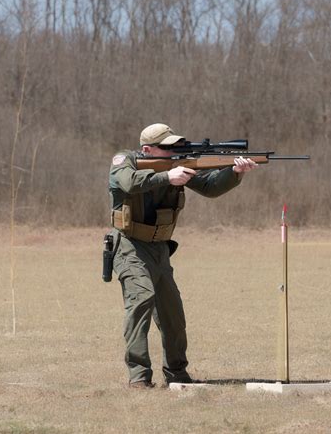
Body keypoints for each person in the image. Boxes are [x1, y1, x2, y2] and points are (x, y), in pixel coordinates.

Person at [109, 123, 257, 388]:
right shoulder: (125, 160)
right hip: (131, 246)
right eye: (167, 148)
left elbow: (211, 188)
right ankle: (139, 377)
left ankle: (177, 373)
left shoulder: (178, 165)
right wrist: (167, 177)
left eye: (176, 146)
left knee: (173, 315)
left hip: (160, 249)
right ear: (147, 150)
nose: (174, 151)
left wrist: (234, 172)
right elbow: (129, 183)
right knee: (141, 300)